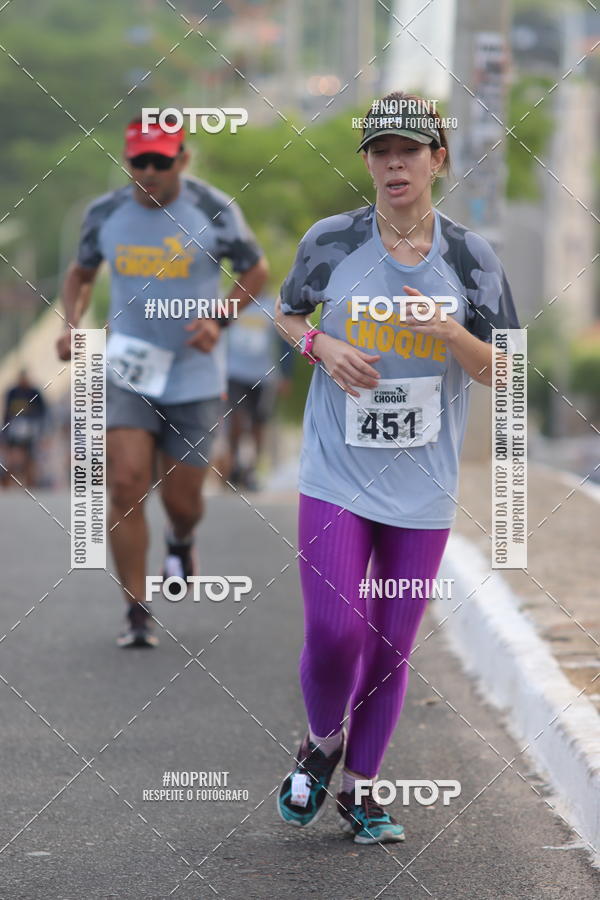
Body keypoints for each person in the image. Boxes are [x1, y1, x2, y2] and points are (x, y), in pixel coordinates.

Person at [275, 91, 519, 843]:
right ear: (369, 164)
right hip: (337, 473)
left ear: (437, 160)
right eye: (380, 152)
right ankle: (321, 744)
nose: (394, 164)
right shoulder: (330, 240)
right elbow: (287, 312)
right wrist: (320, 345)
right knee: (335, 632)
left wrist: (450, 332)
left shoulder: (471, 258)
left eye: (409, 151)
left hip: (423, 487)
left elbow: (504, 370)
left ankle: (362, 789)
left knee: (387, 647)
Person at [56, 114, 268, 647]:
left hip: (194, 376)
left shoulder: (213, 208)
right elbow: (80, 274)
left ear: (182, 160)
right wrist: (70, 324)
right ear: (126, 161)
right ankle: (136, 610)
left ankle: (182, 538)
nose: (149, 171)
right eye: (139, 161)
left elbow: (256, 270)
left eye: (160, 161)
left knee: (183, 500)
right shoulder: (105, 213)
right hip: (128, 367)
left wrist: (219, 318)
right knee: (127, 482)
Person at [225, 294, 293, 491]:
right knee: (235, 419)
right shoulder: (231, 303)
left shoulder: (272, 306)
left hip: (264, 376)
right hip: (234, 373)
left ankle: (251, 470)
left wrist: (286, 374)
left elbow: (285, 341)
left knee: (259, 423)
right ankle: (233, 464)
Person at [2, 369, 48, 488]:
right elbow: (7, 413)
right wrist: (5, 432)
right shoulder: (13, 392)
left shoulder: (34, 392)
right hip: (14, 428)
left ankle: (30, 483)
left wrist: (42, 432)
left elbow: (43, 413)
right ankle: (8, 483)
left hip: (31, 428)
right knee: (12, 457)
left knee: (30, 456)